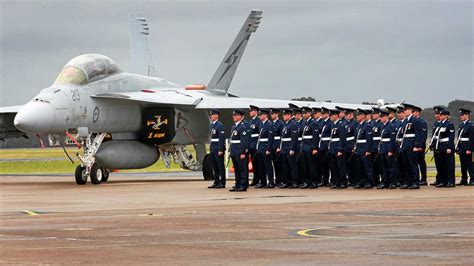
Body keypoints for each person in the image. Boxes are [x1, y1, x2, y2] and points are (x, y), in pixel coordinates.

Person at [399, 103, 422, 189]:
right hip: (405, 146)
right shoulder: (405, 121)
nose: (403, 112)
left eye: (405, 110)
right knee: (406, 165)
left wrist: (416, 145)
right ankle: (408, 181)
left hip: (412, 146)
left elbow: (418, 134)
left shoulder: (415, 120)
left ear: (409, 110)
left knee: (413, 165)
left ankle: (415, 182)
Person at [277, 109, 299, 188]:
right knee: (285, 166)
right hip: (284, 148)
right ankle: (287, 181)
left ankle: (295, 182)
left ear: (289, 115)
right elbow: (282, 138)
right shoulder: (285, 124)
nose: (284, 116)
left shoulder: (293, 124)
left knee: (292, 166)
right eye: (283, 115)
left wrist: (292, 149)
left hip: (289, 148)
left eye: (285, 115)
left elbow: (294, 138)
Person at [433, 110, 456, 188]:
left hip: (447, 147)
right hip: (441, 147)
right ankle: (444, 181)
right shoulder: (440, 124)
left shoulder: (450, 124)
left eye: (442, 115)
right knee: (443, 165)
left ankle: (451, 181)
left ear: (446, 116)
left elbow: (451, 137)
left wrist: (449, 147)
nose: (440, 116)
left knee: (450, 165)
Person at [229, 109, 250, 192]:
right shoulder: (234, 126)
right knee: (236, 169)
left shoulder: (242, 127)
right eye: (233, 115)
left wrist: (242, 152)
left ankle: (243, 185)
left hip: (239, 151)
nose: (234, 117)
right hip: (234, 151)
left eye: (236, 115)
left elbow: (244, 141)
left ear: (240, 117)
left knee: (242, 169)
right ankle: (237, 184)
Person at [300, 107, 320, 189]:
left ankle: (314, 182)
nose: (304, 114)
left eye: (305, 113)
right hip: (304, 147)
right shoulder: (305, 123)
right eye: (303, 113)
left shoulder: (313, 123)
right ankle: (307, 181)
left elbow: (316, 137)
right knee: (305, 166)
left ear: (309, 113)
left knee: (312, 166)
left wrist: (315, 148)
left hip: (310, 147)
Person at [353, 109, 373, 189]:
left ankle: (369, 182)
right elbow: (356, 138)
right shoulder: (358, 125)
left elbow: (369, 139)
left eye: (359, 115)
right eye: (357, 115)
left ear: (364, 116)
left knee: (367, 167)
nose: (357, 117)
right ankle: (362, 181)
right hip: (358, 149)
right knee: (359, 167)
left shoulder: (367, 126)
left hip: (364, 149)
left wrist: (368, 150)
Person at [377, 110, 397, 189]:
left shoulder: (391, 126)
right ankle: (385, 182)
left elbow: (392, 140)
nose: (380, 119)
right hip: (383, 149)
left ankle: (392, 182)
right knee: (384, 167)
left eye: (382, 117)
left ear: (386, 117)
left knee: (391, 167)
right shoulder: (382, 126)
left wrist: (391, 150)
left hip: (388, 149)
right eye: (380, 117)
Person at [255, 108, 275, 188]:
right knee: (261, 166)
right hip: (260, 147)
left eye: (261, 115)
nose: (259, 117)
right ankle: (263, 182)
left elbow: (270, 138)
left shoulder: (269, 124)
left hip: (266, 148)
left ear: (265, 115)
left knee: (268, 166)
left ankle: (271, 182)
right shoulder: (261, 124)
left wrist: (268, 149)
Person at [328, 109, 347, 189]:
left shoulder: (341, 125)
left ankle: (343, 182)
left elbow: (342, 139)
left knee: (340, 166)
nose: (330, 117)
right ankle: (336, 182)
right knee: (334, 167)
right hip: (332, 149)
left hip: (338, 149)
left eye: (331, 115)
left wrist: (340, 149)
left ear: (336, 115)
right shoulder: (333, 125)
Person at [207, 109, 226, 189]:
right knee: (214, 166)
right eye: (210, 115)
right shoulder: (212, 125)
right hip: (213, 148)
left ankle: (222, 182)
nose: (211, 116)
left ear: (216, 115)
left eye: (212, 114)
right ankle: (216, 181)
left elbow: (221, 139)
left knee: (220, 166)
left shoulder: (220, 125)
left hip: (218, 148)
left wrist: (221, 149)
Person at [456, 108, 473, 186]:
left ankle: (472, 179)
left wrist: (469, 149)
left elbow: (472, 139)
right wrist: (458, 147)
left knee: (470, 164)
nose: (461, 116)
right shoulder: (461, 125)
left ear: (467, 115)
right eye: (460, 115)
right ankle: (464, 179)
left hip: (467, 147)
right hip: (462, 147)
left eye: (462, 115)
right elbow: (459, 137)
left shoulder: (471, 125)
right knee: (463, 165)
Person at [289, 104, 305, 188]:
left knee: (301, 165)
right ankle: (297, 181)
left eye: (295, 115)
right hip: (296, 146)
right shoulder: (295, 123)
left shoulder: (303, 123)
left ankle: (301, 181)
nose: (294, 117)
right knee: (296, 165)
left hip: (301, 146)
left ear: (299, 114)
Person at [413, 106, 428, 185]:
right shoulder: (414, 121)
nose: (413, 113)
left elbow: (423, 135)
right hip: (415, 145)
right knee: (415, 162)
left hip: (420, 146)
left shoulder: (421, 122)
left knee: (421, 162)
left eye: (414, 111)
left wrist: (420, 146)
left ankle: (424, 179)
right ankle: (417, 178)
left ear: (418, 112)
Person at [429, 106, 444, 186]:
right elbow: (434, 135)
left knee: (442, 164)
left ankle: (442, 179)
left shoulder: (444, 123)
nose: (437, 115)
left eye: (438, 114)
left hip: (441, 146)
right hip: (435, 146)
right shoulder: (435, 123)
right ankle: (438, 179)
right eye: (436, 114)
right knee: (437, 164)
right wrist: (431, 144)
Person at [248, 105, 262, 187]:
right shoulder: (250, 121)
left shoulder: (259, 121)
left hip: (256, 145)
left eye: (251, 111)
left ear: (256, 112)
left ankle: (260, 179)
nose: (250, 112)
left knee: (259, 163)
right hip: (251, 145)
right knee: (254, 164)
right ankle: (255, 179)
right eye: (250, 111)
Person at [318, 107, 332, 187]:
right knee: (323, 164)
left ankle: (331, 179)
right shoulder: (322, 123)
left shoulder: (330, 123)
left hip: (327, 145)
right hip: (322, 145)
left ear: (327, 114)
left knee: (329, 164)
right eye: (322, 113)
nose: (322, 115)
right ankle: (325, 180)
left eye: (324, 113)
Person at [271, 108, 285, 187]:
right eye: (271, 114)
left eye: (273, 114)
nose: (272, 115)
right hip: (272, 145)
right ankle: (277, 180)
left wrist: (279, 146)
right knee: (275, 164)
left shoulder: (280, 123)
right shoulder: (271, 123)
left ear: (277, 114)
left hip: (277, 146)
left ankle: (281, 180)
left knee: (279, 165)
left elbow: (281, 136)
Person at [343, 108, 357, 186]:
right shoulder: (345, 123)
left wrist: (354, 146)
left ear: (351, 115)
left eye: (347, 115)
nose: (345, 116)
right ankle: (350, 179)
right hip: (346, 147)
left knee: (353, 165)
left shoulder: (354, 123)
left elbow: (355, 136)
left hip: (351, 147)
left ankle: (354, 180)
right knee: (347, 165)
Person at [371, 108, 383, 186]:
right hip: (373, 147)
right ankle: (375, 180)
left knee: (380, 166)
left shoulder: (380, 124)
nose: (373, 115)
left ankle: (382, 180)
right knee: (374, 165)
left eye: (375, 114)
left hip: (378, 147)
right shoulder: (372, 124)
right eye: (373, 114)